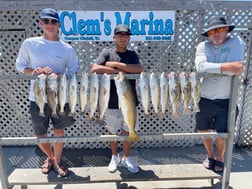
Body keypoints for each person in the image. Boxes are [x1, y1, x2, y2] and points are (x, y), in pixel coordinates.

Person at [16, 8, 80, 177]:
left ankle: (57, 161)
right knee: (40, 134)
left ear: (59, 24)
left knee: (59, 130)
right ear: (40, 23)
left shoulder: (67, 48)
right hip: (37, 97)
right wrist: (34, 71)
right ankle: (50, 158)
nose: (49, 24)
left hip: (60, 96)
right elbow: (20, 66)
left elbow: (74, 71)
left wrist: (59, 75)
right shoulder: (30, 43)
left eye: (53, 21)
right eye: (46, 21)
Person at [195, 16, 245, 173]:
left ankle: (220, 157)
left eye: (220, 29)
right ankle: (210, 156)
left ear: (227, 30)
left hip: (226, 98)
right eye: (212, 31)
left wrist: (215, 67)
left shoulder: (236, 42)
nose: (216, 34)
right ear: (208, 34)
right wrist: (227, 66)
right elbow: (200, 67)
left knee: (222, 133)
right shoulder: (203, 46)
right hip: (203, 98)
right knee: (203, 130)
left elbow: (237, 68)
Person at [91, 24, 143, 173]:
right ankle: (114, 156)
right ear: (114, 37)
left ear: (129, 38)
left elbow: (139, 69)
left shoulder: (132, 54)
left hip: (130, 101)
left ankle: (126, 158)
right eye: (119, 35)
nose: (123, 37)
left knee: (128, 131)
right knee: (112, 131)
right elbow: (95, 68)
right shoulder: (107, 52)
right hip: (111, 102)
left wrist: (116, 65)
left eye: (126, 35)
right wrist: (123, 68)